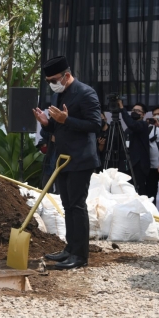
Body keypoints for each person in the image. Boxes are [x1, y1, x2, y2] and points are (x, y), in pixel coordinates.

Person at [32, 55, 101, 270]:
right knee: (67, 206)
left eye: (54, 80)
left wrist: (66, 119)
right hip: (61, 158)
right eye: (48, 82)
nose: (52, 85)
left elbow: (96, 124)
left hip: (81, 159)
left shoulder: (86, 93)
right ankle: (69, 249)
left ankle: (80, 256)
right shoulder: (57, 96)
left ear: (67, 75)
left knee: (77, 205)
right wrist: (47, 124)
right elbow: (58, 128)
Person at [115, 100, 150, 196]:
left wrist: (122, 109)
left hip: (139, 166)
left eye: (138, 111)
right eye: (133, 110)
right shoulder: (128, 129)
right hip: (127, 165)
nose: (135, 112)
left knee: (138, 192)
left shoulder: (142, 125)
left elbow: (132, 124)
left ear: (143, 114)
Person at [146, 105, 159, 205]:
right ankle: (154, 218)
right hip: (151, 167)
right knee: (151, 194)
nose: (156, 116)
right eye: (154, 114)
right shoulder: (149, 129)